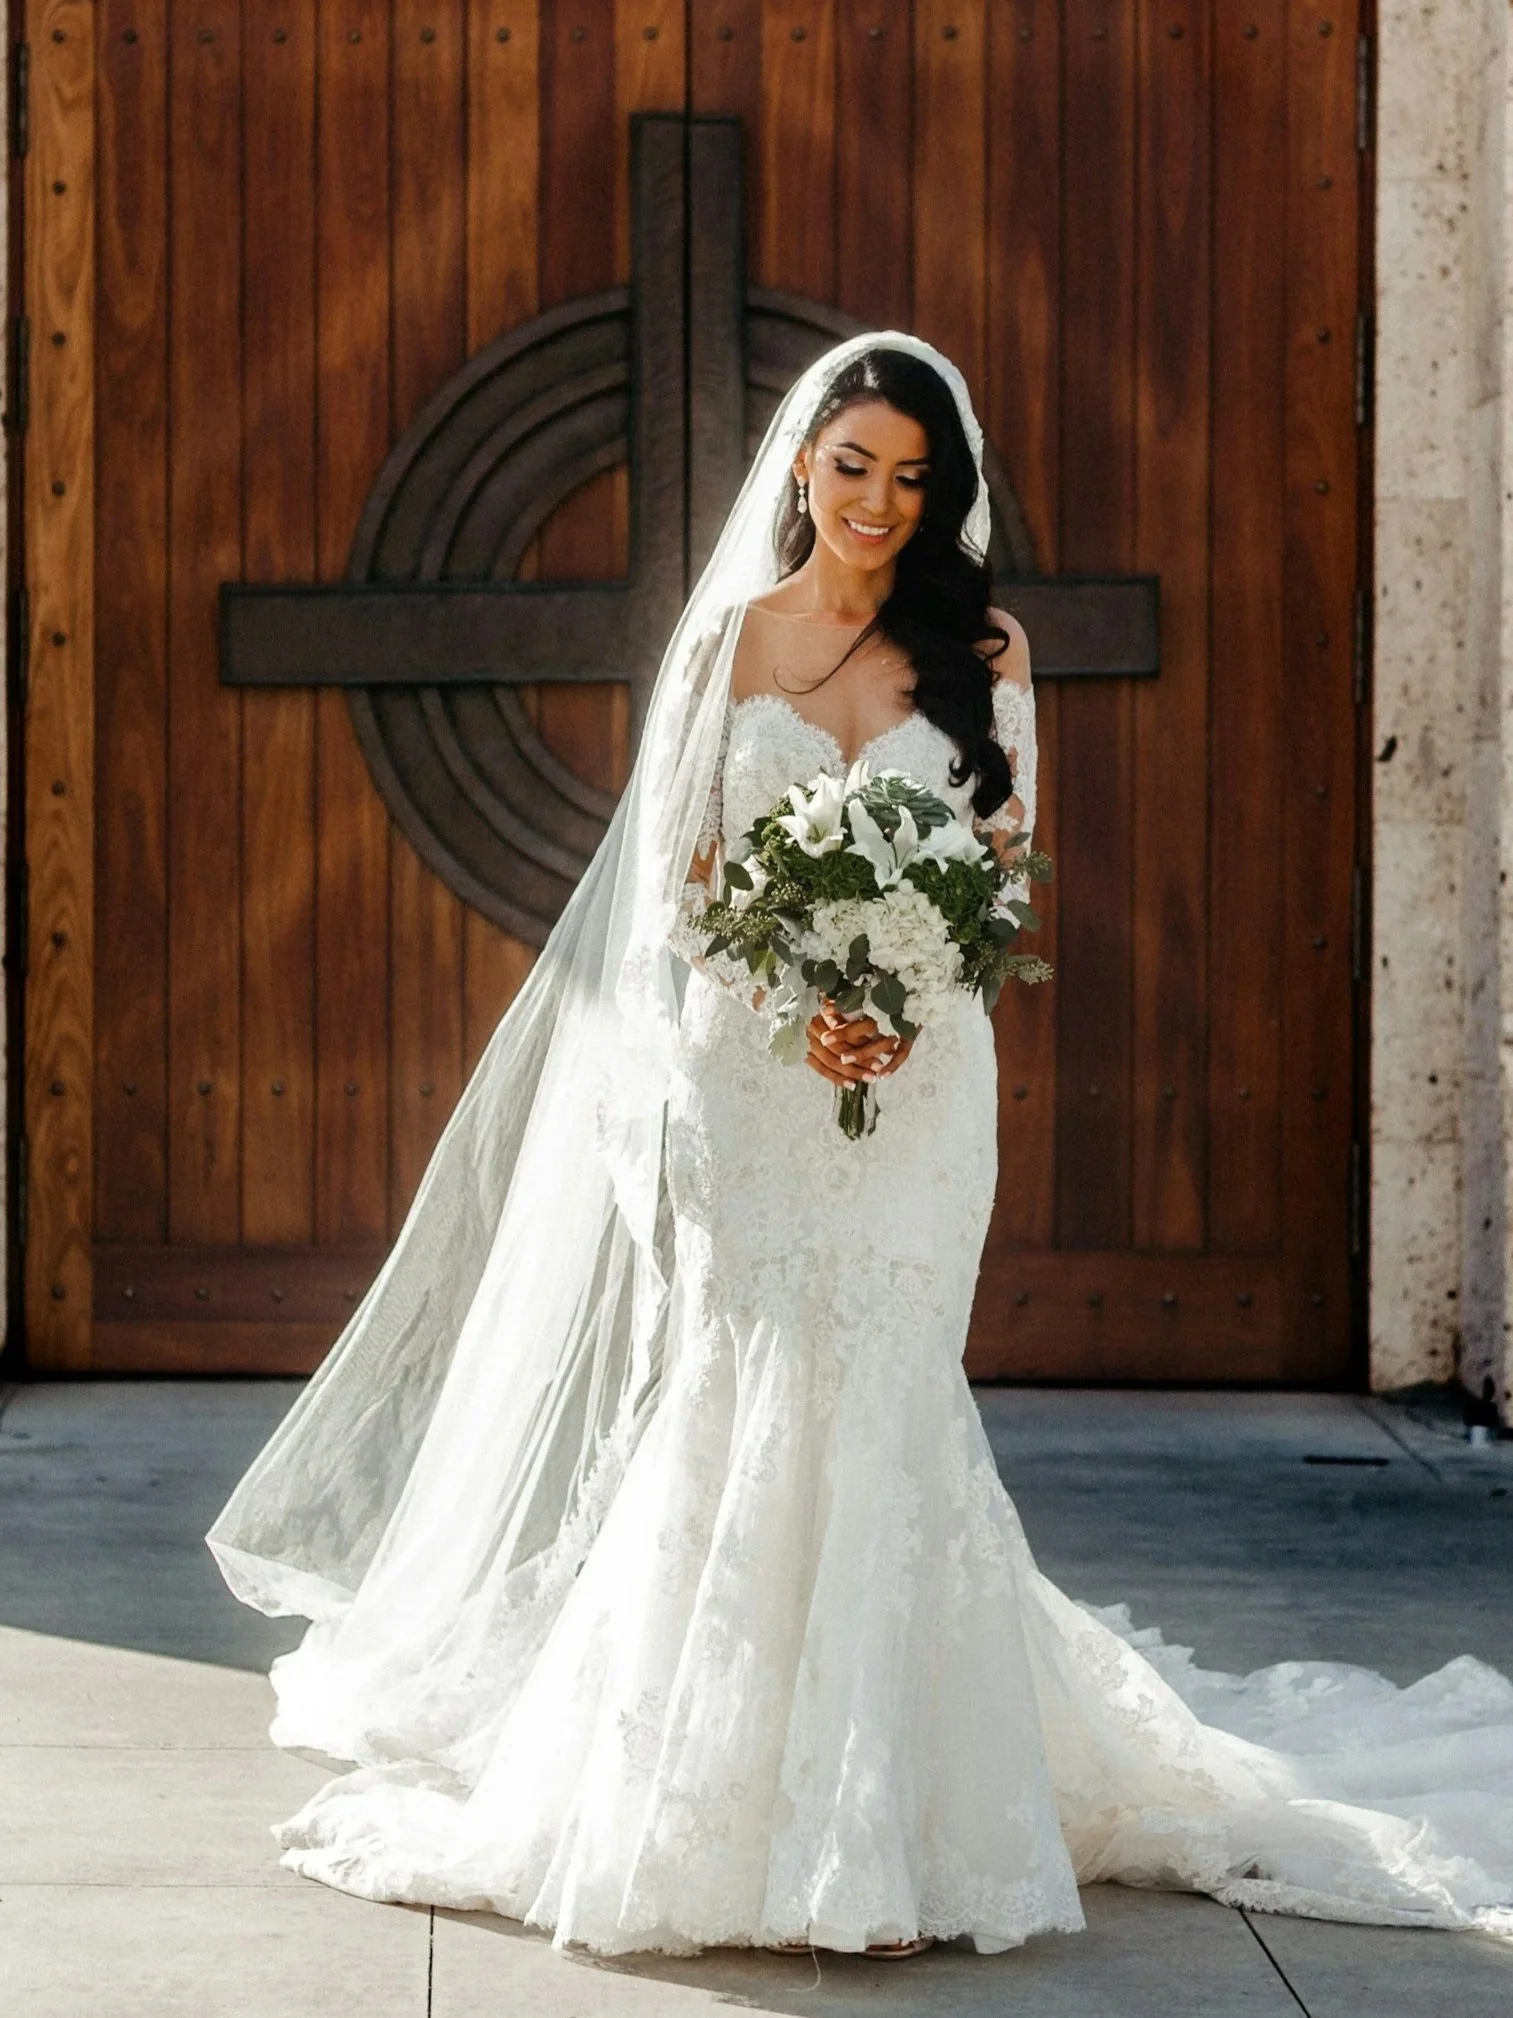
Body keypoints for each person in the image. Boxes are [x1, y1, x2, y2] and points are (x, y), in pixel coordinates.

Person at [208, 332, 1513, 1959]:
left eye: (912, 478)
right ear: (801, 462)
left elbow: (1003, 866)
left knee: (885, 1389)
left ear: (939, 491)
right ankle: (705, 1802)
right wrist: (797, 994)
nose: (879, 503)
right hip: (749, 1081)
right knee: (741, 1390)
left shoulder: (986, 648)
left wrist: (902, 989)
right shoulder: (729, 649)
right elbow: (680, 888)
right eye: (852, 467)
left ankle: (874, 1827)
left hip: (924, 1082)